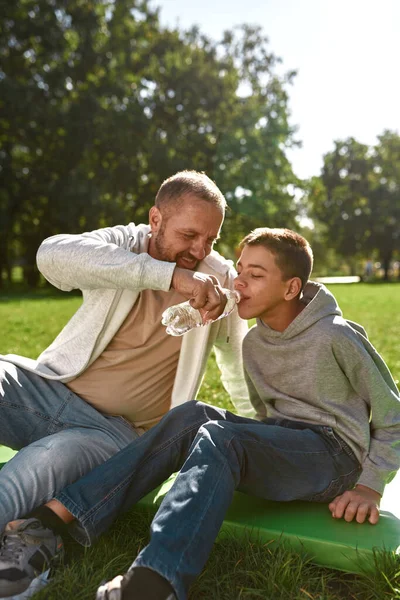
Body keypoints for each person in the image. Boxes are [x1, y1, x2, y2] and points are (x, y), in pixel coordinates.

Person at [1, 228, 399, 600]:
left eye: (255, 275)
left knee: (221, 437)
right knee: (191, 415)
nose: (238, 282)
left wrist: (369, 485)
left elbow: (392, 414)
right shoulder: (256, 342)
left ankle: (156, 580)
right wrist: (258, 453)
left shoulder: (336, 335)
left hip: (336, 457)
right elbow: (264, 416)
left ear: (291, 287)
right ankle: (52, 522)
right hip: (289, 445)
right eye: (240, 270)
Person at [0, 170, 253, 534]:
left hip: (112, 434)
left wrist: (262, 438)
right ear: (156, 219)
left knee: (40, 464)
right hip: (46, 391)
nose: (199, 250)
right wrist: (167, 276)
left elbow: (238, 366)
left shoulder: (219, 283)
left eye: (210, 239)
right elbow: (50, 256)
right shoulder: (123, 244)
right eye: (189, 235)